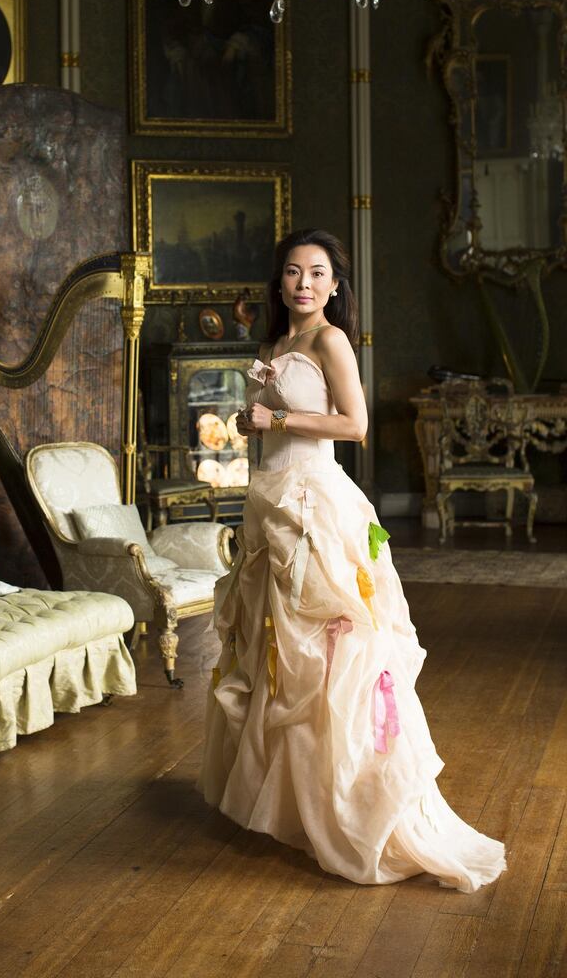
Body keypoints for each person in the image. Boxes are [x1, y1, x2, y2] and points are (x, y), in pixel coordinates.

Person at [198, 227, 506, 892]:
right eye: (292, 272)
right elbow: (260, 411)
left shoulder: (330, 341)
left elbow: (355, 424)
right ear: (279, 282)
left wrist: (274, 422)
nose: (303, 283)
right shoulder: (274, 344)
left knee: (331, 659)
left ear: (335, 285)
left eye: (316, 273)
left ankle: (352, 806)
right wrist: (256, 411)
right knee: (277, 659)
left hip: (315, 505)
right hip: (271, 504)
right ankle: (295, 807)